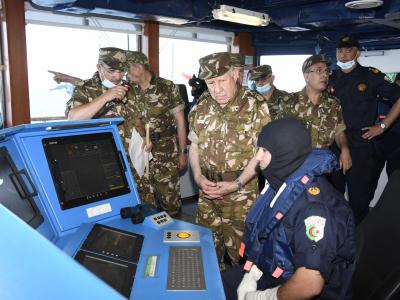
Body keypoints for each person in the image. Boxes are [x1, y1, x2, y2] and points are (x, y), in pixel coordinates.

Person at [221, 118, 356, 300]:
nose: (257, 157)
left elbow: (309, 284)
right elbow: (267, 235)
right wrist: (251, 273)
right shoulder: (282, 182)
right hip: (277, 269)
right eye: (258, 149)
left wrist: (263, 297)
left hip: (306, 289)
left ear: (284, 153)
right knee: (215, 285)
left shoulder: (315, 209)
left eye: (264, 151)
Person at [188, 52, 271, 270]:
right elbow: (194, 145)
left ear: (235, 74)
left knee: (243, 256)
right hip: (207, 192)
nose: (216, 89)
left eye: (221, 81)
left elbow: (261, 152)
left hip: (241, 194)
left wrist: (236, 184)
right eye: (210, 83)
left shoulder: (254, 105)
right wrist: (197, 177)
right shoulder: (200, 106)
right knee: (205, 252)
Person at [329, 35, 400, 224]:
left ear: (357, 53)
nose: (343, 55)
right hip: (334, 143)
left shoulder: (371, 76)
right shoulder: (330, 78)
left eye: (348, 50)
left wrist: (383, 126)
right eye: (340, 51)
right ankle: (336, 240)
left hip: (361, 143)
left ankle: (359, 246)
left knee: (359, 200)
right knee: (332, 197)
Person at [125, 50, 187, 216]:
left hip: (165, 151)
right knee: (145, 200)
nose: (126, 75)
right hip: (140, 151)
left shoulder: (166, 87)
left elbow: (180, 122)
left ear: (138, 67)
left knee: (169, 199)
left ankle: (174, 236)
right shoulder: (128, 89)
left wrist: (182, 152)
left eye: (127, 70)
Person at [277, 54, 352, 175]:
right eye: (319, 70)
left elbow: (339, 131)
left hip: (322, 165)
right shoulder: (288, 102)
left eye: (327, 71)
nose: (325, 75)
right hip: (294, 165)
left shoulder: (333, 103)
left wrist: (344, 149)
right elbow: (277, 136)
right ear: (306, 76)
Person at [65, 47, 136, 155]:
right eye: (111, 71)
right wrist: (105, 97)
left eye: (122, 71)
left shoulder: (131, 88)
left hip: (132, 157)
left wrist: (145, 137)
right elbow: (73, 118)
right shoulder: (85, 88)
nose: (117, 76)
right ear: (99, 67)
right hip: (102, 157)